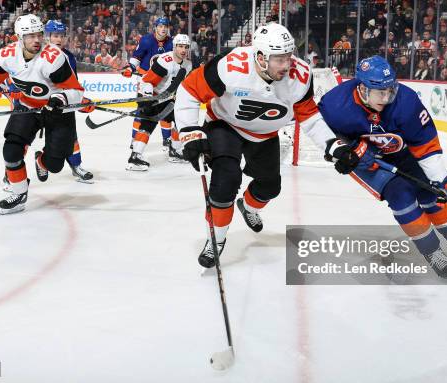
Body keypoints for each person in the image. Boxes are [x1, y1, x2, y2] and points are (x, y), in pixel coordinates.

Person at [174, 23, 336, 268]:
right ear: (260, 57)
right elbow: (189, 91)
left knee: (271, 187)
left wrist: (332, 144)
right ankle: (216, 239)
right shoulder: (230, 66)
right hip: (224, 125)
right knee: (225, 181)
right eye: (279, 59)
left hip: (265, 134)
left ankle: (248, 206)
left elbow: (310, 116)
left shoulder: (300, 76)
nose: (286, 65)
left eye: (288, 57)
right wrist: (189, 131)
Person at [317, 55, 447, 279]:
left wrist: (444, 180)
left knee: (430, 190)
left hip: (403, 153)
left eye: (390, 91)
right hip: (366, 161)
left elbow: (425, 144)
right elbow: (319, 131)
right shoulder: (336, 104)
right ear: (363, 89)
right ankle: (432, 252)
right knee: (402, 197)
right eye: (380, 93)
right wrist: (346, 150)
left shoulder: (405, 101)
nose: (386, 98)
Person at [0, 14, 84, 214]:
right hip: (27, 106)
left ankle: (41, 160)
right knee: (11, 150)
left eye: (39, 34)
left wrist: (61, 98)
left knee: (54, 165)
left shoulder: (53, 58)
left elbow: (76, 91)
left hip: (57, 110)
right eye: (30, 36)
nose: (36, 40)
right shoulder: (7, 55)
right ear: (20, 37)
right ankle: (19, 193)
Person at [0, 20, 94, 190]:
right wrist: (10, 88)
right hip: (30, 103)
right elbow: (10, 73)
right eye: (55, 36)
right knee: (21, 139)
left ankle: (74, 165)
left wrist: (81, 102)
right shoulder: (29, 53)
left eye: (62, 36)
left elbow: (71, 87)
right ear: (46, 37)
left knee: (70, 137)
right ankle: (11, 174)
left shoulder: (67, 57)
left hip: (56, 105)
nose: (59, 40)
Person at [127, 34, 193, 170]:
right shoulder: (165, 61)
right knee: (147, 125)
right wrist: (148, 99)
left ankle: (174, 151)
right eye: (180, 46)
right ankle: (135, 157)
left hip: (167, 99)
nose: (183, 50)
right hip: (151, 96)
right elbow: (147, 81)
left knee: (181, 120)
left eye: (186, 47)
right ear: (174, 47)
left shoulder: (188, 64)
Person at [122, 17, 174, 154]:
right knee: (142, 112)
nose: (163, 28)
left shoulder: (172, 43)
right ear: (155, 27)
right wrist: (130, 68)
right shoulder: (146, 40)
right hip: (146, 81)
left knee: (166, 111)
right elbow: (136, 58)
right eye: (160, 26)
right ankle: (135, 140)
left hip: (164, 83)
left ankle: (167, 140)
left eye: (165, 26)